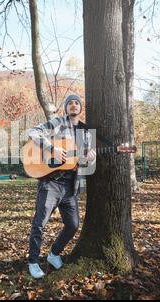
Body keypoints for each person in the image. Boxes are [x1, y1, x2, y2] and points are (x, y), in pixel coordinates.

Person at [26, 94, 96, 279]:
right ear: (66, 108)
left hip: (70, 186)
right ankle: (33, 261)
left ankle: (53, 254)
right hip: (50, 183)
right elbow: (32, 132)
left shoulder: (85, 132)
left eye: (77, 103)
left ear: (80, 108)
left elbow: (81, 161)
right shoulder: (57, 123)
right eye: (70, 103)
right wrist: (52, 148)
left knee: (73, 225)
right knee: (39, 223)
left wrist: (90, 158)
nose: (73, 105)